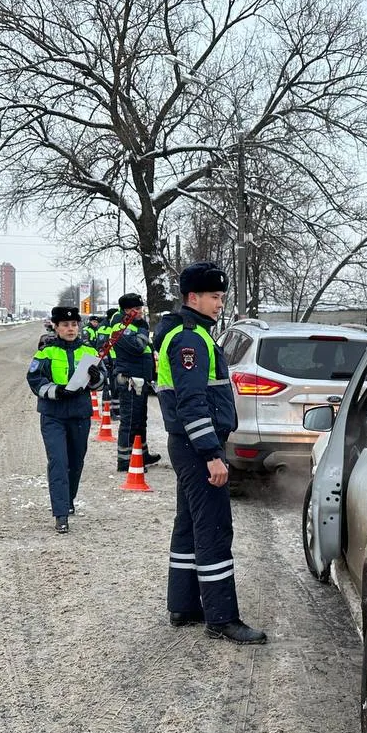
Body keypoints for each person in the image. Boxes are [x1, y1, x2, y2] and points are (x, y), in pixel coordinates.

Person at [154, 262, 266, 645]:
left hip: (187, 445)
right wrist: (211, 455)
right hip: (196, 446)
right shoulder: (191, 340)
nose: (220, 303)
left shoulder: (193, 334)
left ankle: (184, 604)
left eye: (221, 296)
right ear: (193, 297)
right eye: (215, 297)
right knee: (214, 527)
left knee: (189, 524)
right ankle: (222, 617)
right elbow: (191, 403)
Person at [27, 305, 105, 533]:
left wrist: (96, 377)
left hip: (80, 414)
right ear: (56, 326)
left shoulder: (88, 351)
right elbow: (34, 379)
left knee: (76, 462)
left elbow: (102, 382)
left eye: (73, 324)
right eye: (65, 325)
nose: (70, 329)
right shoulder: (46, 351)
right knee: (59, 462)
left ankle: (68, 500)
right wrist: (56, 391)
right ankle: (60, 513)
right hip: (53, 415)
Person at [113, 292, 162, 471]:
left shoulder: (135, 325)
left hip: (141, 379)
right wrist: (142, 329)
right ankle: (125, 460)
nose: (139, 311)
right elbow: (138, 347)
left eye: (140, 308)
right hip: (130, 380)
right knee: (130, 420)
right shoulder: (121, 326)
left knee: (140, 420)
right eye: (135, 309)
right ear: (126, 310)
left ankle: (141, 454)